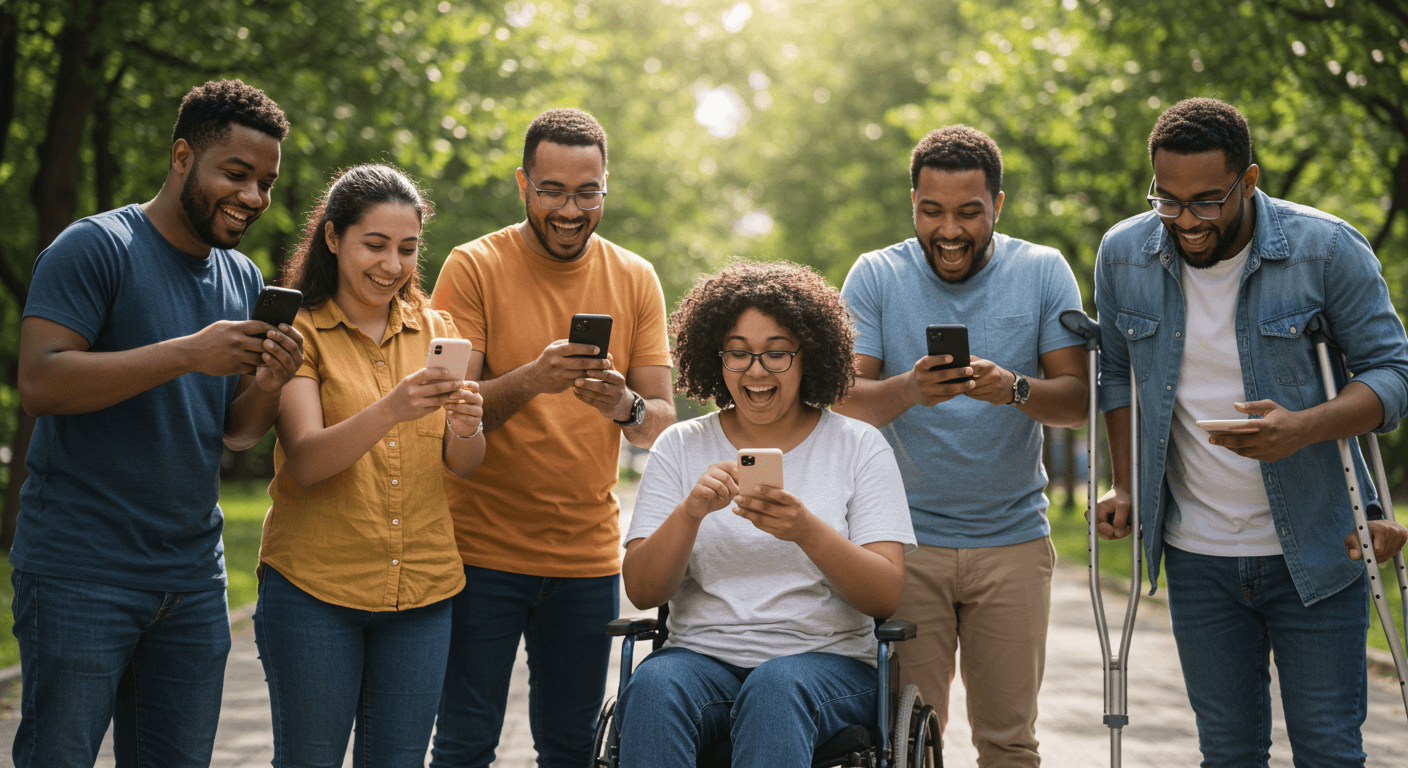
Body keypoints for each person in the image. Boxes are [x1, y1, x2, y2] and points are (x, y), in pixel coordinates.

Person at [1093, 97, 1408, 767]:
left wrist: (1304, 427)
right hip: (1196, 554)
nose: (1186, 221)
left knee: (1327, 750)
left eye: (1207, 201)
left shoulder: (1326, 249)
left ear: (1250, 180)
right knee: (1228, 754)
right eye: (1167, 200)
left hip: (1321, 550)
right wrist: (1123, 482)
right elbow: (1117, 375)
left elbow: (1393, 375)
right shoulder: (1124, 255)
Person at [11, 79, 302, 768]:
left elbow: (233, 432)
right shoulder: (96, 247)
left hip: (192, 579)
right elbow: (40, 382)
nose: (254, 198)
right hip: (82, 570)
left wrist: (270, 381)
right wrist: (187, 353)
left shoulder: (239, 276)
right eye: (237, 174)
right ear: (181, 156)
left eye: (265, 182)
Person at [429, 107, 674, 767]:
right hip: (478, 551)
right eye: (553, 191)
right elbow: (448, 410)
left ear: (605, 187)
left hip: (585, 560)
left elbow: (663, 422)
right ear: (523, 186)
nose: (571, 209)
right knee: (464, 744)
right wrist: (532, 379)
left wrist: (624, 406)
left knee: (570, 749)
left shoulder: (635, 276)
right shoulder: (472, 266)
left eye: (587, 192)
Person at [835, 125, 1088, 765]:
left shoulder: (1041, 270)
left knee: (1009, 743)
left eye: (969, 213)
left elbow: (1080, 401)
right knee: (906, 741)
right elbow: (843, 403)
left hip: (1012, 543)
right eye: (932, 211)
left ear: (997, 206)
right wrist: (909, 390)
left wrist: (1014, 389)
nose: (949, 230)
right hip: (903, 545)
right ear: (912, 204)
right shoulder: (874, 275)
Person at [615, 260, 915, 765]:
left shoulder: (858, 446)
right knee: (655, 683)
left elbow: (884, 593)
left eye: (776, 354)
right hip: (701, 660)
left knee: (776, 686)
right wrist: (689, 514)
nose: (756, 370)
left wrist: (806, 532)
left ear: (808, 356)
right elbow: (643, 592)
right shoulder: (680, 446)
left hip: (827, 666)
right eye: (738, 354)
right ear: (718, 359)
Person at [254, 164, 486, 766]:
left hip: (423, 595)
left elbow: (463, 463)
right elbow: (306, 460)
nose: (392, 265)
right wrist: (392, 408)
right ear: (333, 238)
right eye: (375, 245)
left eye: (407, 249)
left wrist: (468, 425)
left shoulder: (437, 330)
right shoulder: (297, 331)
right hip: (314, 592)